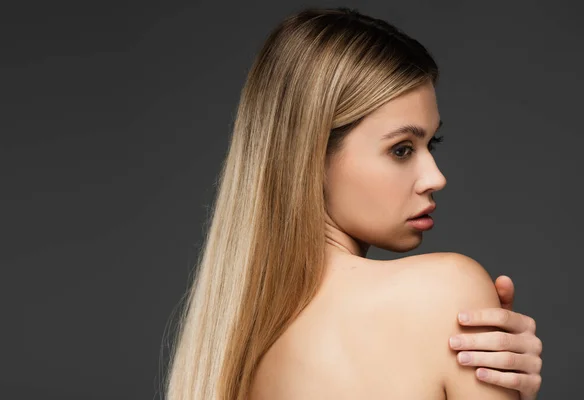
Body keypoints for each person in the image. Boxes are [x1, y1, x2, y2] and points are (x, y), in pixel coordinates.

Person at [163, 6, 542, 400]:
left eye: (432, 144)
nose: (436, 177)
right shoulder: (448, 294)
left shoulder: (226, 353)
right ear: (312, 156)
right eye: (401, 149)